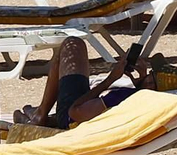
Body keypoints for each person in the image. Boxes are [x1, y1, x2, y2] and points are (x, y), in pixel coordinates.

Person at [14, 39, 163, 129]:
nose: (148, 73)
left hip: (70, 120)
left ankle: (40, 115)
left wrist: (110, 80)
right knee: (75, 47)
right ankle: (47, 118)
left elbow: (75, 111)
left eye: (151, 75)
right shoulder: (150, 104)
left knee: (72, 44)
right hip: (92, 117)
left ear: (151, 85)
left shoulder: (121, 98)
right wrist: (140, 85)